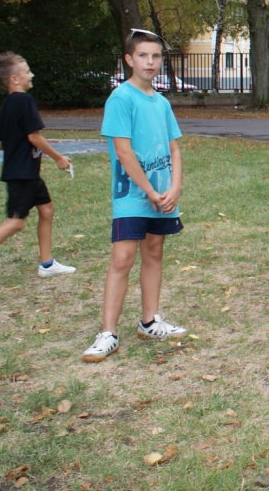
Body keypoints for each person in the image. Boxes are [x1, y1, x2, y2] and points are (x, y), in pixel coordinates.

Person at [83, 30, 185, 362]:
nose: (150, 62)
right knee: (123, 259)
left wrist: (174, 187)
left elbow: (174, 148)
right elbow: (124, 152)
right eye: (143, 55)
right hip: (132, 196)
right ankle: (108, 333)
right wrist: (150, 191)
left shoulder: (162, 102)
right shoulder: (121, 99)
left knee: (154, 252)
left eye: (156, 56)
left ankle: (149, 321)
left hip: (162, 196)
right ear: (129, 59)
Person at [0, 52, 75, 276]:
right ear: (14, 79)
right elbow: (34, 136)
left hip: (27, 172)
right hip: (22, 173)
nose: (31, 74)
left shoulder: (6, 105)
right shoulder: (23, 100)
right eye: (27, 71)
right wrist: (59, 158)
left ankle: (47, 264)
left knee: (47, 210)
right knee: (15, 222)